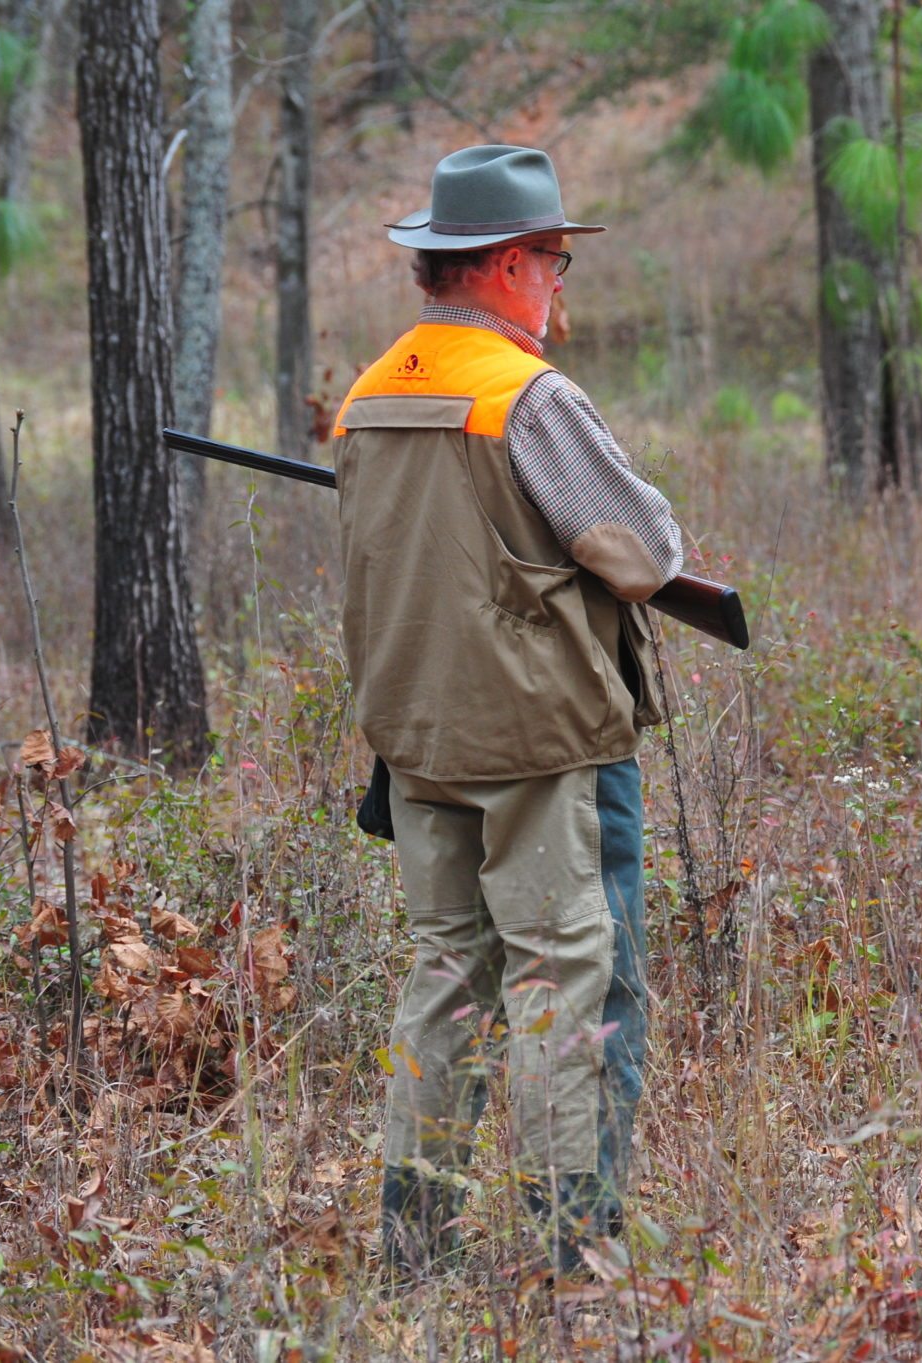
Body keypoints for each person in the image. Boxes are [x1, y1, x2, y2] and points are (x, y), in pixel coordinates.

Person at [330, 144, 682, 1279]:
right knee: (562, 979)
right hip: (540, 748)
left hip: (416, 737)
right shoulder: (525, 393)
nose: (560, 282)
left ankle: (413, 1241)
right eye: (554, 259)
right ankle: (570, 1247)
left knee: (444, 976)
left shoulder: (371, 391)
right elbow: (641, 552)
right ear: (504, 263)